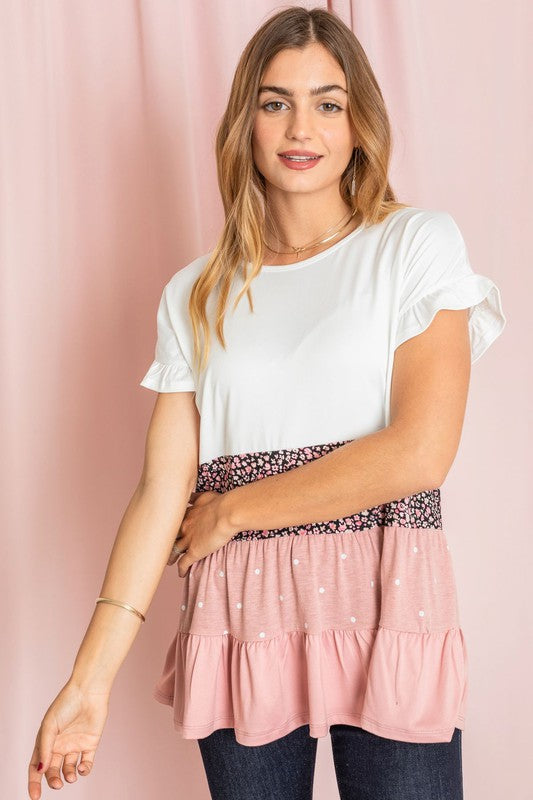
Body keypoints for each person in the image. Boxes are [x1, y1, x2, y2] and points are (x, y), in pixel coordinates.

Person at [28, 6, 507, 800]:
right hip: (240, 606)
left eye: (328, 102)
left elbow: (419, 451)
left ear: (359, 124)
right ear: (245, 121)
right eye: (274, 100)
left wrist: (235, 510)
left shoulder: (413, 246)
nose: (301, 126)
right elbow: (159, 491)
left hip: (386, 583)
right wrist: (89, 682)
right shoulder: (196, 292)